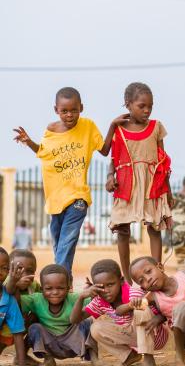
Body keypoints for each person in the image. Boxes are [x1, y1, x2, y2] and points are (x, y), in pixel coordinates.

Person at [13, 87, 128, 279]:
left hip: (78, 197)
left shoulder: (88, 126)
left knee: (67, 240)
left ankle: (57, 281)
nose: (69, 115)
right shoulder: (50, 131)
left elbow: (105, 150)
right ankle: (65, 280)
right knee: (59, 242)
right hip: (55, 198)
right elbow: (43, 153)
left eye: (74, 110)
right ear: (56, 110)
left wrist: (112, 126)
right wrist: (28, 141)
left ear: (81, 108)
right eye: (64, 110)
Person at [106, 82, 172, 283]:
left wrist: (168, 191)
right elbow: (112, 159)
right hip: (126, 184)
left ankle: (157, 271)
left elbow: (162, 160)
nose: (147, 110)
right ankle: (127, 279)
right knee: (123, 230)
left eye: (150, 106)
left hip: (152, 184)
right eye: (141, 106)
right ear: (128, 104)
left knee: (154, 228)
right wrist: (110, 178)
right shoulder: (119, 130)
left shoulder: (156, 127)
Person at [70, 259, 168, 366]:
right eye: (101, 287)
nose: (106, 291)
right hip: (134, 338)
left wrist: (159, 318)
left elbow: (160, 308)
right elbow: (75, 320)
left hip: (154, 335)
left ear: (121, 281)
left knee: (140, 309)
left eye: (110, 285)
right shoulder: (100, 301)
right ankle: (129, 356)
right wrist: (81, 297)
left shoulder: (134, 293)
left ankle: (148, 359)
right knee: (95, 328)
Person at [19, 264, 102, 366]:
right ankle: (48, 359)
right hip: (50, 344)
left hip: (72, 343)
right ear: (41, 289)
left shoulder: (75, 298)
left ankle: (95, 359)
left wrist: (94, 291)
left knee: (87, 322)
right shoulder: (36, 300)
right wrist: (15, 284)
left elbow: (95, 302)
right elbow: (16, 301)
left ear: (68, 288)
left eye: (60, 288)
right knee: (34, 328)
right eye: (49, 288)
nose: (55, 292)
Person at [0, 247, 36, 366]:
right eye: (19, 270)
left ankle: (23, 359)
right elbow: (9, 288)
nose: (0, 271)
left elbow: (18, 332)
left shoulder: (9, 301)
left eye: (4, 268)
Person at [163, 175, 185, 268]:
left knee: (182, 262)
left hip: (177, 234)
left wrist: (167, 235)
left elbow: (167, 215)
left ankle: (184, 280)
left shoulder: (173, 197)